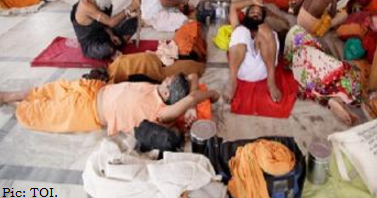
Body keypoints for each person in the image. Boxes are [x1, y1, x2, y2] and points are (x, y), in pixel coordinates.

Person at [1, 73, 219, 136]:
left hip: (86, 112)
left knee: (39, 113)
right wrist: (191, 107)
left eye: (168, 81)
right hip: (92, 89)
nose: (166, 78)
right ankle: (13, 95)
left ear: (169, 92)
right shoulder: (158, 89)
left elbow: (191, 97)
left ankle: (15, 104)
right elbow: (192, 76)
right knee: (50, 89)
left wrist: (211, 95)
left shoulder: (162, 111)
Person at [226, 1, 298, 117]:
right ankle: (232, 82)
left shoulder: (266, 30)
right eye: (252, 12)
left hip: (264, 70)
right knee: (240, 31)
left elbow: (285, 24)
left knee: (265, 30)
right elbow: (233, 6)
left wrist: (268, 11)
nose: (255, 14)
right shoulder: (239, 27)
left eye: (259, 14)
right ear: (246, 15)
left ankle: (271, 83)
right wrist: (253, 1)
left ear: (263, 17)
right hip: (242, 69)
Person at [71, 0, 141, 60]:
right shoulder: (86, 5)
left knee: (135, 21)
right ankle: (115, 48)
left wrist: (111, 35)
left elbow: (104, 24)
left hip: (104, 33)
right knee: (107, 49)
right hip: (92, 43)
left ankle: (116, 46)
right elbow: (111, 22)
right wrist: (130, 7)